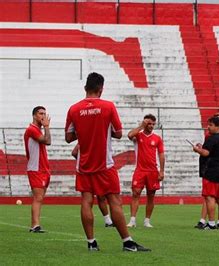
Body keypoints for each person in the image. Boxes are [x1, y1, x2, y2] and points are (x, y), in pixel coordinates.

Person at [65, 72, 150, 252]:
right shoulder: (108, 107)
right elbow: (119, 133)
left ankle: (91, 243)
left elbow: (68, 137)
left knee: (86, 201)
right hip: (105, 164)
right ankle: (127, 242)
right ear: (101, 89)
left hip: (84, 164)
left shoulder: (73, 109)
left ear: (85, 88)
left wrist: (84, 130)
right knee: (114, 201)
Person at [126, 114, 165, 228]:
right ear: (144, 123)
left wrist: (161, 171)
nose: (151, 126)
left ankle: (147, 221)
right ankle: (132, 220)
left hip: (153, 171)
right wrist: (141, 126)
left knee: (151, 195)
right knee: (135, 193)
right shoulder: (138, 135)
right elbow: (129, 135)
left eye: (153, 124)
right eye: (149, 123)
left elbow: (161, 155)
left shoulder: (157, 138)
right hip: (140, 170)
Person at [191, 116, 219, 230]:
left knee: (210, 197)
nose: (208, 127)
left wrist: (197, 150)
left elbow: (206, 153)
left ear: (217, 126)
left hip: (211, 172)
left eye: (211, 125)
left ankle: (211, 224)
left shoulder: (211, 138)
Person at [24, 106, 51, 233]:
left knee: (40, 198)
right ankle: (35, 225)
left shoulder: (37, 130)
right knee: (38, 197)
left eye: (44, 114)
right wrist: (46, 127)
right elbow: (47, 141)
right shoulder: (32, 129)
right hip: (36, 169)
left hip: (44, 168)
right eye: (41, 114)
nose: (43, 116)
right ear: (34, 116)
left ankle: (36, 224)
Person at [72, 144, 114, 227]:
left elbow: (74, 152)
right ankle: (108, 220)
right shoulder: (95, 140)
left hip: (88, 170)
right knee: (101, 196)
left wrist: (83, 161)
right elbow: (74, 152)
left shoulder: (86, 140)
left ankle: (107, 220)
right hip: (97, 169)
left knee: (89, 198)